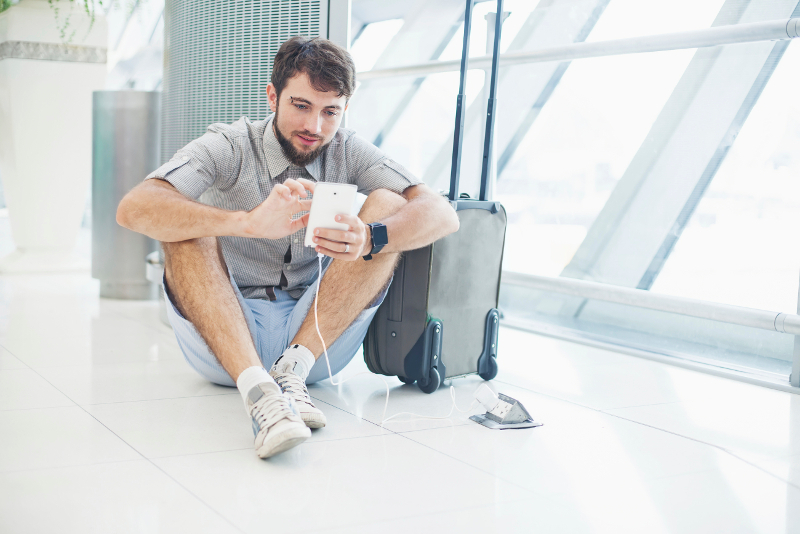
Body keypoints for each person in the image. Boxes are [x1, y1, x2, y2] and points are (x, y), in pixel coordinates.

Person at [116, 36, 460, 459]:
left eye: (330, 111)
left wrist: (370, 237)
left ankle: (289, 374)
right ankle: (259, 392)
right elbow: (134, 207)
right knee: (187, 221)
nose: (315, 126)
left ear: (343, 110)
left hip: (312, 340)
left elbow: (442, 213)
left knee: (389, 205)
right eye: (301, 105)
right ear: (273, 96)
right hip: (225, 335)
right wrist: (245, 223)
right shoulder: (229, 144)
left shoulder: (348, 149)